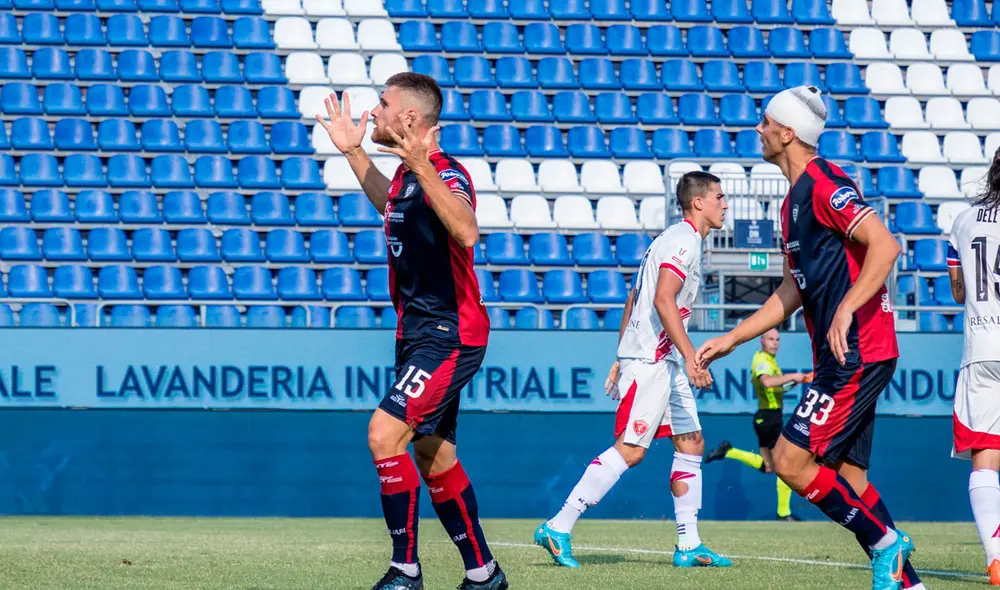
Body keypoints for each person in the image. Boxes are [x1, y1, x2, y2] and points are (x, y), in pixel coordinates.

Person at [695, 86, 924, 590]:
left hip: (857, 353)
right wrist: (733, 337)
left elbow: (884, 246)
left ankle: (887, 543)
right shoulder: (791, 202)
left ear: (787, 133)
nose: (757, 129)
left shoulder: (825, 182)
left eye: (765, 122)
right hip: (846, 356)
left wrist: (846, 307)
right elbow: (789, 292)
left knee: (789, 462)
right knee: (851, 479)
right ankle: (909, 583)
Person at [316, 73, 507, 590]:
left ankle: (405, 572)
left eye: (382, 104)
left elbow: (466, 230)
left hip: (450, 334)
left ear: (409, 120)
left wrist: (422, 164)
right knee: (432, 453)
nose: (373, 113)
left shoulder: (444, 171)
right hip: (418, 335)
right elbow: (391, 204)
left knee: (384, 434)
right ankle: (483, 574)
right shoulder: (405, 177)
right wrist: (355, 154)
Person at [533, 171, 732, 570]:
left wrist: (619, 352)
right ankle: (559, 526)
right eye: (720, 197)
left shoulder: (670, 240)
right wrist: (691, 355)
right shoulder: (683, 241)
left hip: (658, 358)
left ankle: (689, 545)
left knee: (691, 441)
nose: (724, 204)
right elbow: (662, 300)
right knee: (632, 450)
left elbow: (633, 297)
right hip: (653, 361)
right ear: (698, 203)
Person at [946, 146, 1000, 585]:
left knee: (985, 457)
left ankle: (996, 557)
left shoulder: (962, 221)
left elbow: (959, 293)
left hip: (981, 348)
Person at [704, 328, 811, 521]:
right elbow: (767, 382)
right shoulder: (762, 361)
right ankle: (783, 513)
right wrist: (792, 376)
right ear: (761, 340)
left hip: (767, 418)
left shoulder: (769, 361)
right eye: (771, 339)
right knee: (784, 464)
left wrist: (793, 382)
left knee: (770, 467)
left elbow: (774, 386)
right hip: (769, 418)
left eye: (777, 339)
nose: (775, 343)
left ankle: (728, 452)